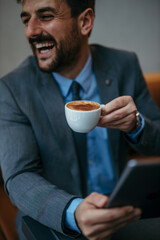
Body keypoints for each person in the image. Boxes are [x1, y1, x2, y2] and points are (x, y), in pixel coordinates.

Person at [0, 0, 160, 239]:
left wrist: (137, 125)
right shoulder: (12, 89)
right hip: (54, 222)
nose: (31, 31)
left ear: (85, 22)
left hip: (122, 214)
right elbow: (19, 176)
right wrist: (73, 212)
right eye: (26, 19)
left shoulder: (124, 65)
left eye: (45, 16)